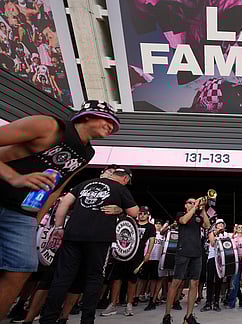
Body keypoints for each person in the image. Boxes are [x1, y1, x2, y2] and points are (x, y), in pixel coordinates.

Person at [0, 100, 120, 320]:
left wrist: (36, 219)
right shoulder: (48, 126)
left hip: (21, 212)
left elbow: (57, 188)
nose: (112, 125)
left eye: (114, 123)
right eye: (107, 119)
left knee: (22, 267)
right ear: (86, 116)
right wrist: (14, 177)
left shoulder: (87, 153)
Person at [39, 167, 138, 324]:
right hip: (99, 239)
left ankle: (48, 319)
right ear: (125, 179)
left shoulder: (85, 183)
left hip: (73, 235)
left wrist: (58, 227)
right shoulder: (120, 189)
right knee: (94, 278)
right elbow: (134, 212)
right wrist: (120, 209)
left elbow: (64, 204)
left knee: (62, 278)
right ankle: (87, 320)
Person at [162, 196, 211, 324]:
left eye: (194, 202)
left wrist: (203, 209)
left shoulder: (198, 217)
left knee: (194, 283)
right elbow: (183, 221)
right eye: (190, 202)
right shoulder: (181, 214)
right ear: (186, 205)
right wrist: (195, 207)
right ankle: (167, 315)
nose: (193, 204)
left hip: (197, 253)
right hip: (183, 252)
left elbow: (207, 225)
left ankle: (188, 316)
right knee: (176, 282)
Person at [201, 218, 228, 312]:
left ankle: (216, 302)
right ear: (216, 226)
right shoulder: (211, 233)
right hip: (212, 258)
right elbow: (212, 243)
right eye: (219, 224)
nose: (221, 225)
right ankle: (208, 302)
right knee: (209, 280)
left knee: (219, 280)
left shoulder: (226, 234)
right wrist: (216, 232)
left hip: (221, 260)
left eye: (222, 224)